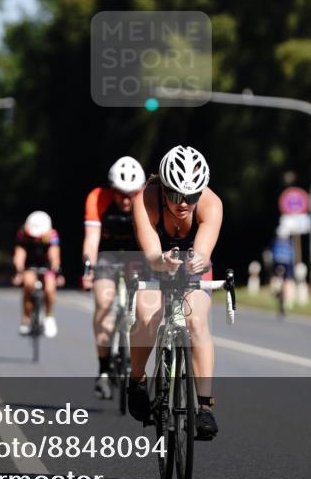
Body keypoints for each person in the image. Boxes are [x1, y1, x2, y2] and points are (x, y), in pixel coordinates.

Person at [128, 145, 223, 440]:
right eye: (175, 195)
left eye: (191, 197)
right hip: (156, 261)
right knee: (147, 316)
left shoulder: (211, 204)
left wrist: (197, 259)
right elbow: (152, 252)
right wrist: (162, 262)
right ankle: (137, 380)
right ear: (164, 188)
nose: (183, 204)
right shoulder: (145, 199)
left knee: (196, 323)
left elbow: (204, 252)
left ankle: (205, 407)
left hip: (192, 265)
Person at [82, 156, 147, 399]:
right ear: (112, 189)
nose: (126, 199)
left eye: (131, 193)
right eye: (121, 193)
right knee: (103, 305)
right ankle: (103, 369)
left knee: (145, 306)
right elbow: (91, 238)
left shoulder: (145, 199)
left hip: (136, 256)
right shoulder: (97, 197)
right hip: (107, 256)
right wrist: (89, 267)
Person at [12, 211, 62, 338]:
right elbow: (20, 254)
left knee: (50, 288)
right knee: (28, 284)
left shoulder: (52, 234)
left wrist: (56, 270)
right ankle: (26, 318)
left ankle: (49, 316)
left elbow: (54, 255)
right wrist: (19, 270)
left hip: (46, 264)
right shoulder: (23, 233)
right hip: (30, 263)